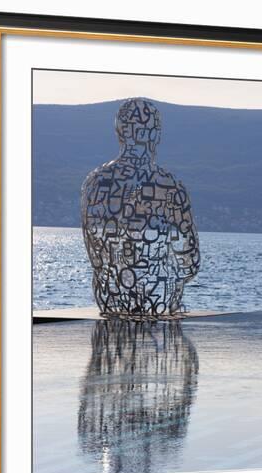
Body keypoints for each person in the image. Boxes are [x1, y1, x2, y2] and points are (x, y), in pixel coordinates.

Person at [81, 97, 200, 317]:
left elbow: (94, 255)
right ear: (156, 135)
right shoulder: (170, 187)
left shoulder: (93, 183)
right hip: (159, 303)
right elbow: (190, 263)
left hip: (110, 300)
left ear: (119, 133)